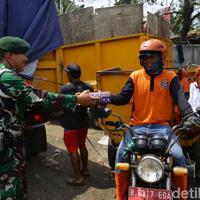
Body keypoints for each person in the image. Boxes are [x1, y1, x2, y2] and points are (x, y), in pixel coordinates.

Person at [0, 36, 96, 199]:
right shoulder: (7, 77)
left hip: (11, 141)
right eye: (23, 53)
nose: (27, 58)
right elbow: (40, 99)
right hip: (7, 144)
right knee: (10, 189)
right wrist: (77, 99)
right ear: (9, 55)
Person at [109, 39, 200, 200]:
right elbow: (122, 98)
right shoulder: (135, 76)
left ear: (162, 58)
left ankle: (181, 196)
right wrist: (103, 97)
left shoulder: (170, 77)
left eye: (152, 57)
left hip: (163, 129)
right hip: (136, 128)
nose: (148, 61)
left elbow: (181, 100)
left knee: (179, 158)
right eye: (145, 58)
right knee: (120, 157)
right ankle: (120, 196)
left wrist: (190, 116)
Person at [60, 64, 94, 186]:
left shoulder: (65, 89)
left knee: (73, 151)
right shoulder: (89, 87)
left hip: (70, 125)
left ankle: (77, 177)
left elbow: (61, 106)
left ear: (69, 74)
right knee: (82, 146)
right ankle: (85, 170)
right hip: (83, 123)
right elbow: (90, 104)